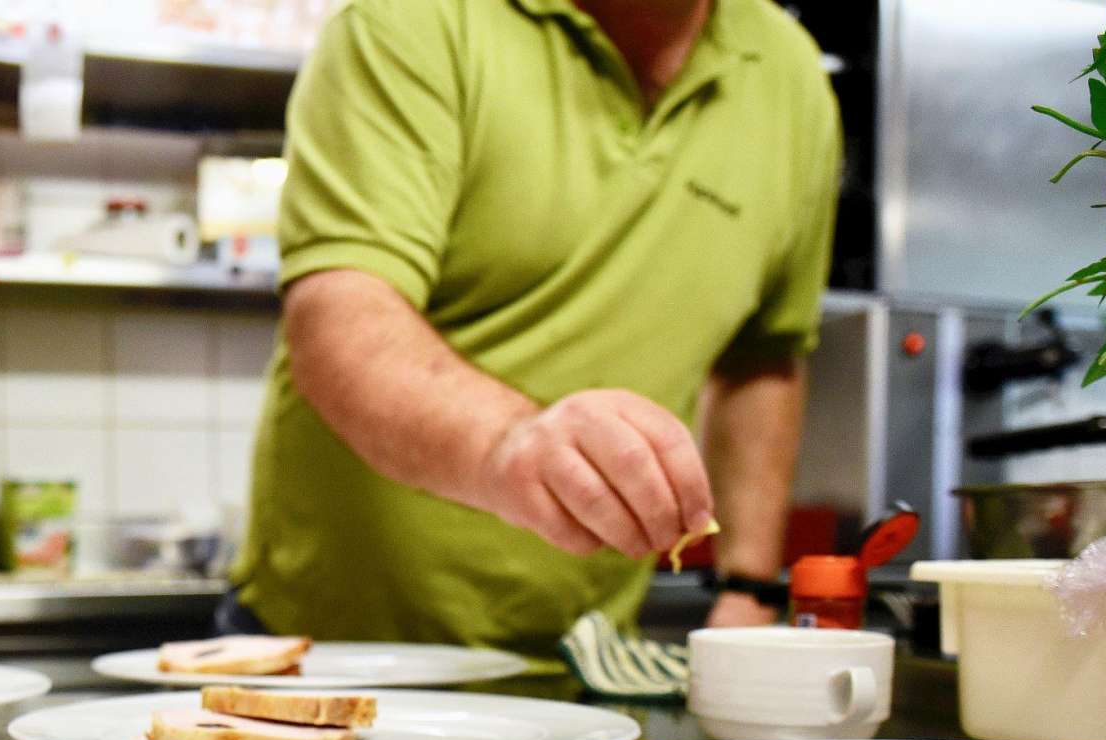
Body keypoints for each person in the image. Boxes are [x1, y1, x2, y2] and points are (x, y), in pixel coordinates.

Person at [225, 0, 841, 665]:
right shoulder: (413, 21)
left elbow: (762, 355)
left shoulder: (790, 76)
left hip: (589, 657)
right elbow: (340, 319)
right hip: (333, 651)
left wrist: (746, 588)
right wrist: (510, 445)